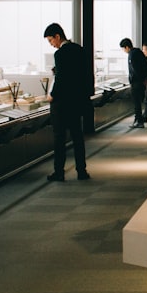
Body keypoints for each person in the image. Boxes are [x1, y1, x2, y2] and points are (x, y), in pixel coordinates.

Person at [43, 22, 90, 181]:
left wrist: (52, 95)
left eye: (51, 40)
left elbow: (61, 79)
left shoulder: (60, 54)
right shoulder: (80, 50)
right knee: (77, 136)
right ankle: (81, 171)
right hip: (76, 101)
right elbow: (83, 75)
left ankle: (59, 172)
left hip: (62, 104)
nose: (52, 45)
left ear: (57, 36)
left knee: (59, 138)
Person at [120, 37, 147, 128]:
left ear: (126, 47)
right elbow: (145, 66)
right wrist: (145, 79)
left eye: (123, 48)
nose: (123, 51)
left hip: (136, 82)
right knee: (139, 102)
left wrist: (135, 80)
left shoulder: (132, 55)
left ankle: (139, 121)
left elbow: (135, 69)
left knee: (136, 103)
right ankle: (138, 120)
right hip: (141, 81)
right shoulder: (139, 52)